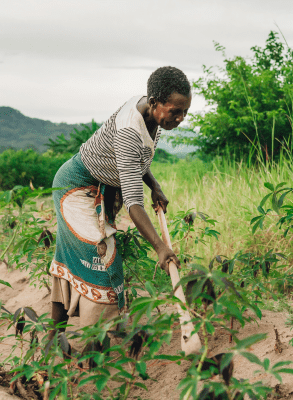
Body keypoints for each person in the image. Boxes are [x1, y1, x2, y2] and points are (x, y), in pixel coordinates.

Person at [47, 66, 190, 347]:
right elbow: (134, 204)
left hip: (102, 188)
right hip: (76, 189)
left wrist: (155, 185)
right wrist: (161, 248)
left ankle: (54, 338)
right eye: (175, 111)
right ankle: (93, 346)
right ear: (153, 103)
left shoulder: (151, 114)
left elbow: (138, 161)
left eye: (185, 111)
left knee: (70, 259)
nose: (180, 118)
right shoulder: (129, 130)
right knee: (102, 256)